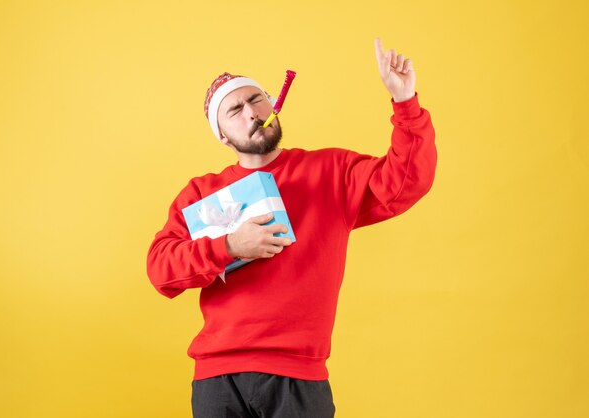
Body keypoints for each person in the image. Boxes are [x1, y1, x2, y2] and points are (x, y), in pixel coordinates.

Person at [146, 37, 437, 417]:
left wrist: (405, 101)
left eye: (256, 100)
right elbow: (160, 270)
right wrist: (230, 245)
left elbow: (406, 180)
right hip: (218, 379)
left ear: (273, 104)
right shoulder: (200, 193)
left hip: (298, 376)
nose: (251, 113)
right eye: (234, 109)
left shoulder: (331, 172)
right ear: (220, 134)